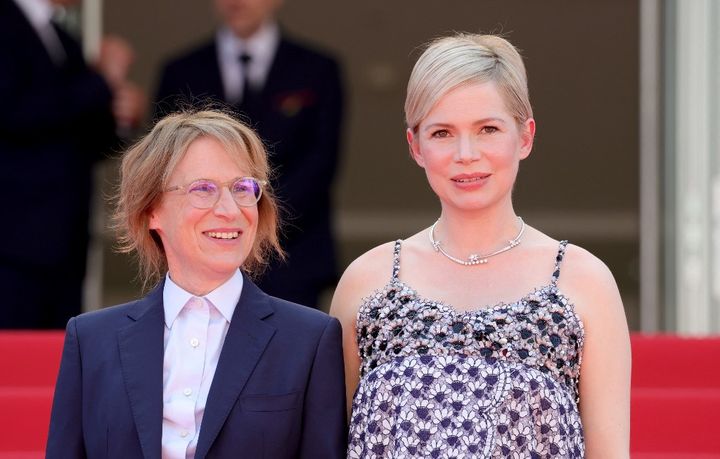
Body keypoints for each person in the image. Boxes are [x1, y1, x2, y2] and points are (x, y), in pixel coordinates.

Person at [331, 33, 631, 457]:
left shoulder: (583, 282)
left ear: (524, 137)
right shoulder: (367, 283)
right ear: (415, 146)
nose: (466, 153)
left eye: (488, 129)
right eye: (442, 133)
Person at [46, 110, 347, 458]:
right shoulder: (90, 341)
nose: (230, 209)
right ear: (151, 210)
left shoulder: (310, 339)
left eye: (242, 188)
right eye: (203, 189)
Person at [154, 0, 344, 309]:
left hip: (291, 251)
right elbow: (166, 164)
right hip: (202, 251)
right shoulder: (180, 72)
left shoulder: (318, 69)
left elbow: (321, 162)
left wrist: (258, 218)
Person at [0, 0, 146, 328]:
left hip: (63, 244)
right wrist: (103, 80)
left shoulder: (63, 40)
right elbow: (16, 112)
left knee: (54, 365)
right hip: (10, 248)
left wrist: (122, 117)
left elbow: (80, 138)